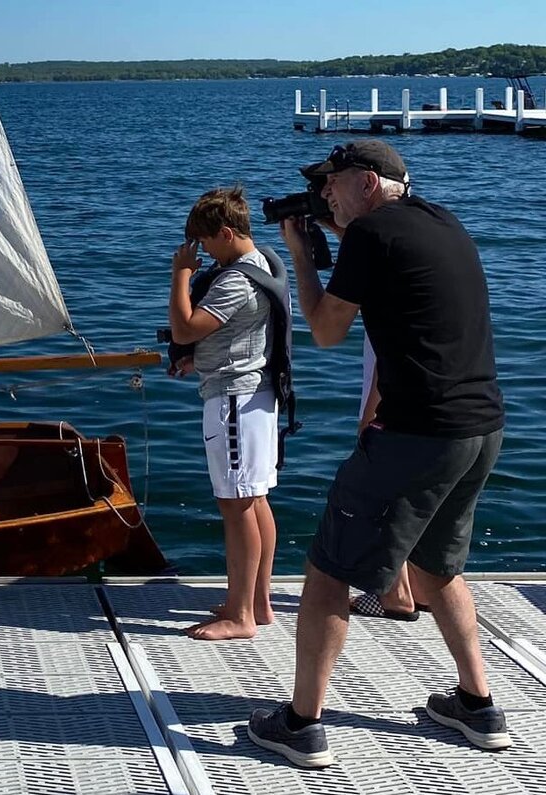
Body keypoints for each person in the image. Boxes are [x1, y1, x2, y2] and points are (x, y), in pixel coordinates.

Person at [248, 140, 509, 767]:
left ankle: (301, 724)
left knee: (329, 570)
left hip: (416, 436)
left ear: (368, 182)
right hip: (479, 429)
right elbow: (418, 324)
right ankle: (479, 707)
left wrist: (303, 261)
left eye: (332, 183)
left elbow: (328, 330)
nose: (324, 195)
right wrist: (337, 235)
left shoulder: (373, 238)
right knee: (437, 567)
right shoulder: (441, 222)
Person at [169, 185, 281, 641]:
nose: (203, 256)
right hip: (255, 393)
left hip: (234, 400)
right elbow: (246, 334)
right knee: (254, 500)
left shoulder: (236, 278)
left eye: (207, 243)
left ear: (228, 232)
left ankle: (240, 616)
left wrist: (180, 275)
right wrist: (206, 358)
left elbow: (184, 326)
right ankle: (258, 602)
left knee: (234, 506)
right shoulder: (267, 263)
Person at [349, 335, 428, 621]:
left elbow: (388, 353)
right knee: (416, 498)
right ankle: (420, 587)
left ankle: (396, 593)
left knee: (383, 499)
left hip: (391, 410)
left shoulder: (389, 291)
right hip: (433, 408)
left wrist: (369, 418)